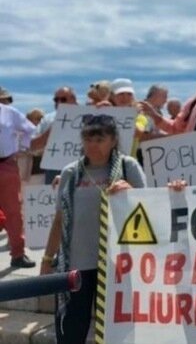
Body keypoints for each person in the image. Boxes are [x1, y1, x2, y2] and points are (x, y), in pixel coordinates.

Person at [40, 114, 146, 344]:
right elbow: (60, 218)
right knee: (71, 328)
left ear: (113, 140)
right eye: (88, 139)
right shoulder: (70, 172)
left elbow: (148, 206)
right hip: (76, 264)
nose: (93, 145)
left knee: (115, 330)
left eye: (99, 139)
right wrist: (47, 258)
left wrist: (130, 192)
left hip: (116, 265)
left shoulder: (128, 167)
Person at [0, 96, 37, 268]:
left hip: (6, 164)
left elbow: (30, 129)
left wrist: (22, 147)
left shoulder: (9, 113)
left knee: (13, 211)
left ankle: (18, 254)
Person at [29, 87, 79, 184]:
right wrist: (50, 133)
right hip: (53, 169)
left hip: (83, 168)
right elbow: (32, 146)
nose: (59, 102)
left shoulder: (87, 115)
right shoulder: (47, 120)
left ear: (73, 99)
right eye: (56, 100)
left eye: (63, 99)